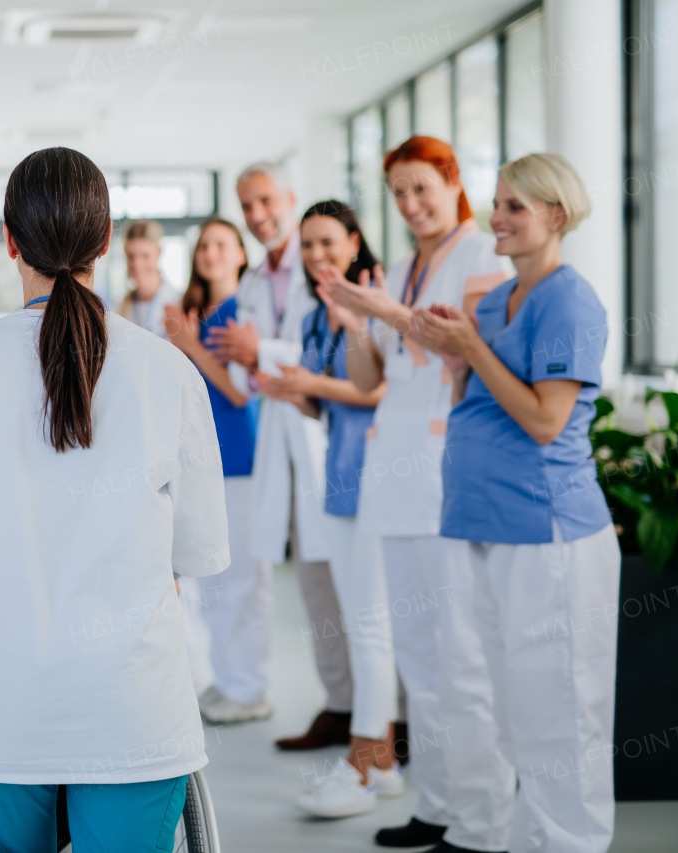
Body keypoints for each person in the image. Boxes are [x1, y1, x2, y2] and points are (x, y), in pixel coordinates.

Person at [0, 147, 229, 852]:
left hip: (1, 710)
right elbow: (195, 550)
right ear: (106, 242)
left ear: (10, 241)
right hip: (133, 709)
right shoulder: (169, 370)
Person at [410, 153, 618, 853]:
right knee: (514, 710)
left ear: (556, 216)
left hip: (549, 531)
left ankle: (573, 843)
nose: (494, 217)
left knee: (561, 714)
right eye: (495, 202)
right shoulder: (498, 300)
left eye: (514, 207)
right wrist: (455, 348)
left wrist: (471, 344)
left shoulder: (570, 299)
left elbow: (542, 419)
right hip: (486, 524)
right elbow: (481, 394)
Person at [320, 136, 516, 849]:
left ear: (452, 181)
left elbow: (463, 347)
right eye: (398, 192)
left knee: (460, 653)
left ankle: (485, 818)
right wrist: (354, 322)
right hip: (391, 475)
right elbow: (372, 379)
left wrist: (382, 308)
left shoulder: (480, 257)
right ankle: (437, 802)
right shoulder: (401, 267)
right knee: (416, 654)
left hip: (444, 475)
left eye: (421, 188)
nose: (410, 204)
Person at [255, 201, 401, 817]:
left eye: (328, 242)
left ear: (355, 241)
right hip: (339, 479)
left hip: (380, 478)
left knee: (371, 624)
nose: (317, 255)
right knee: (357, 620)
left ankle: (367, 764)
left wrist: (347, 332)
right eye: (308, 244)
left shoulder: (379, 297)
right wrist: (296, 391)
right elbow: (325, 405)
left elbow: (375, 388)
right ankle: (381, 765)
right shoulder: (318, 313)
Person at [206, 163, 349, 741]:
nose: (258, 214)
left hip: (324, 441)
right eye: (247, 205)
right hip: (283, 445)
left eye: (265, 200)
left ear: (290, 197)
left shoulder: (321, 262)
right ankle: (340, 704)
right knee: (315, 587)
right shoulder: (255, 282)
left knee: (349, 585)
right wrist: (253, 354)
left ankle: (380, 716)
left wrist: (257, 347)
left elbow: (329, 350)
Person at [164, 217, 268, 725]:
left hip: (241, 459)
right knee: (210, 579)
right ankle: (227, 681)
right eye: (203, 245)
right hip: (202, 460)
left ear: (242, 255)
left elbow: (239, 391)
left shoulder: (244, 314)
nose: (210, 253)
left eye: (222, 244)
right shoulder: (198, 312)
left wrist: (190, 343)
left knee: (243, 579)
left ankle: (249, 688)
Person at [116, 219, 179, 338]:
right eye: (131, 256)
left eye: (145, 256)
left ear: (159, 253)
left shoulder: (178, 301)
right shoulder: (118, 308)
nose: (137, 264)